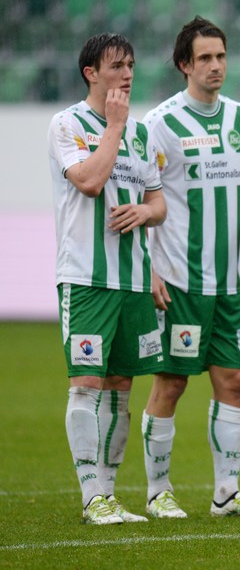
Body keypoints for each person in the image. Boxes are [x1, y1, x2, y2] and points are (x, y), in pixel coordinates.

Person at [141, 16, 240, 519]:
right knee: (171, 382)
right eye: (205, 58)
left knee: (233, 379)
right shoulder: (160, 123)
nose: (216, 65)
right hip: (178, 279)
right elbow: (141, 197)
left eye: (221, 56)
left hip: (227, 283)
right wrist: (148, 270)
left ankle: (226, 493)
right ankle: (158, 492)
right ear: (184, 65)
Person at [48, 32, 167, 524]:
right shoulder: (67, 124)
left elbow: (159, 204)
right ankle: (91, 495)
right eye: (116, 65)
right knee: (87, 385)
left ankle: (110, 495)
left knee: (121, 387)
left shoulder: (143, 133)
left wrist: (143, 212)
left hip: (134, 280)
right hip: (87, 278)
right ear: (90, 73)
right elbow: (90, 181)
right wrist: (113, 126)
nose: (127, 74)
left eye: (131, 64)